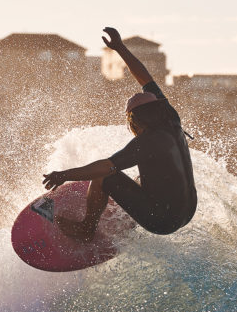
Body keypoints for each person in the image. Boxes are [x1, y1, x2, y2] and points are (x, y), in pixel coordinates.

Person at [42, 27, 197, 241]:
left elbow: (106, 167)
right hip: (187, 211)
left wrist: (64, 175)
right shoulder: (170, 118)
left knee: (103, 175)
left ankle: (87, 228)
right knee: (139, 177)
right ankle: (126, 214)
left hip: (162, 221)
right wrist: (120, 47)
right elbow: (145, 78)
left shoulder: (148, 142)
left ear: (134, 120)